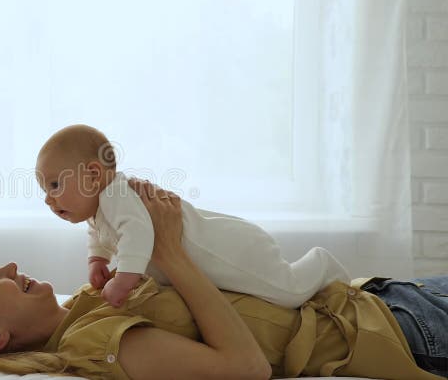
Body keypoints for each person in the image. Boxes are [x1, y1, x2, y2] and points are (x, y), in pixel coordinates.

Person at [0, 178, 446, 380]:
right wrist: (172, 255)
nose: (11, 268)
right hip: (402, 332)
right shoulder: (93, 344)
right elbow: (243, 368)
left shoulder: (90, 305)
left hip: (387, 297)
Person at [34, 124, 350, 308]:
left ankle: (321, 263)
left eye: (54, 184)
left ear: (92, 174)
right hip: (209, 256)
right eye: (43, 189)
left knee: (288, 292)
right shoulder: (100, 208)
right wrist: (97, 260)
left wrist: (123, 281)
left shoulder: (117, 194)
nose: (48, 198)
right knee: (260, 300)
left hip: (228, 250)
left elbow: (138, 234)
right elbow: (98, 234)